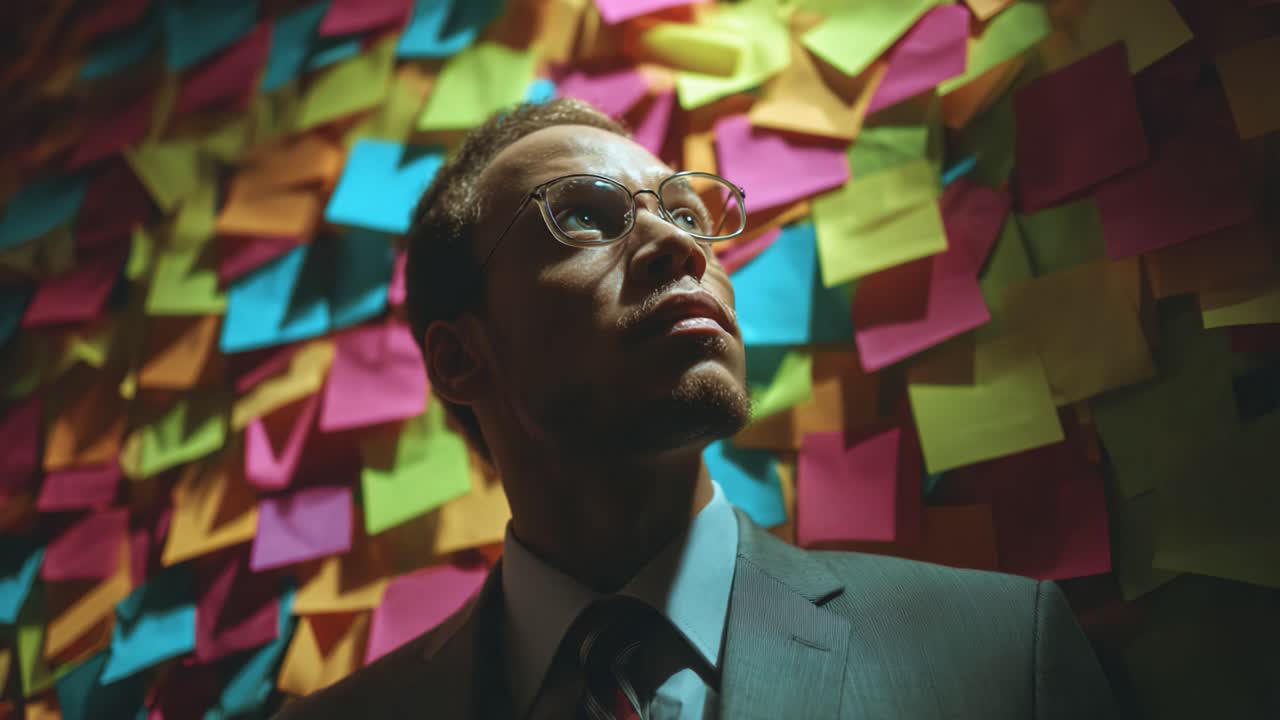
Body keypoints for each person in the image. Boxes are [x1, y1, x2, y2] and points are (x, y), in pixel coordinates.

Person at [276, 98, 1120, 720]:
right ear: (462, 356)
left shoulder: (1004, 653)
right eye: (581, 216)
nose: (680, 244)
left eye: (686, 213)